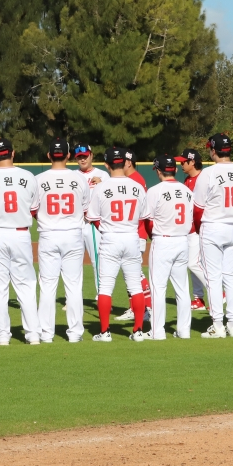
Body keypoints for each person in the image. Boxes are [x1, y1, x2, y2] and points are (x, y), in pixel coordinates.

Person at [0, 138, 41, 345]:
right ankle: (33, 334)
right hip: (21, 233)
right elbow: (34, 210)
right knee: (26, 286)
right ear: (13, 153)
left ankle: (2, 336)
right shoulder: (28, 176)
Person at [191, 133, 233, 339]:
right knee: (232, 276)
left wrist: (198, 229)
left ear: (213, 150)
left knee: (214, 277)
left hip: (213, 227)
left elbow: (198, 209)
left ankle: (217, 325)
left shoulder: (208, 173)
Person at [86, 147, 148, 342]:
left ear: (106, 164)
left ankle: (105, 332)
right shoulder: (137, 186)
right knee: (135, 286)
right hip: (131, 237)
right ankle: (138, 331)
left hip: (110, 238)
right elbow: (144, 217)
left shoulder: (101, 187)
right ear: (125, 162)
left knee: (105, 288)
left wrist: (105, 228)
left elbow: (92, 218)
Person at [35, 138, 89, 342]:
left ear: (49, 155)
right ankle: (75, 333)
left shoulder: (38, 179)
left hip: (48, 234)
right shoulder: (80, 179)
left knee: (48, 286)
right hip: (73, 234)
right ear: (68, 155)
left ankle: (46, 333)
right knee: (73, 286)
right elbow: (85, 209)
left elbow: (33, 210)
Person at [143, 155, 194, 340]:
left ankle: (157, 332)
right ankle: (184, 330)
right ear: (175, 169)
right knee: (182, 289)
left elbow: (147, 220)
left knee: (158, 288)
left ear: (158, 171)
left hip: (163, 241)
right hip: (182, 241)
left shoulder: (154, 191)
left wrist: (152, 236)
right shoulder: (187, 191)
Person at [114, 150, 152, 323]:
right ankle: (136, 307)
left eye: (122, 161)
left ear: (128, 162)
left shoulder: (135, 180)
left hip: (136, 233)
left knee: (136, 274)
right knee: (131, 273)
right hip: (135, 233)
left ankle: (147, 308)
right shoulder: (134, 179)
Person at [73, 144, 109, 296]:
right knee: (73, 263)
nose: (82, 159)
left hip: (93, 224)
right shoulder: (73, 175)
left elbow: (110, 198)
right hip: (76, 224)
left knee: (97, 262)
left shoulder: (103, 175)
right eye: (79, 157)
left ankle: (102, 296)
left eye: (85, 156)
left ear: (91, 155)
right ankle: (72, 298)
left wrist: (102, 185)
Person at [178, 149, 208, 310]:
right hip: (189, 229)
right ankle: (198, 298)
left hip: (200, 227)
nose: (181, 163)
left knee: (193, 263)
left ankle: (218, 292)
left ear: (192, 162)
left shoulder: (203, 179)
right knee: (193, 264)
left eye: (183, 161)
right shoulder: (188, 180)